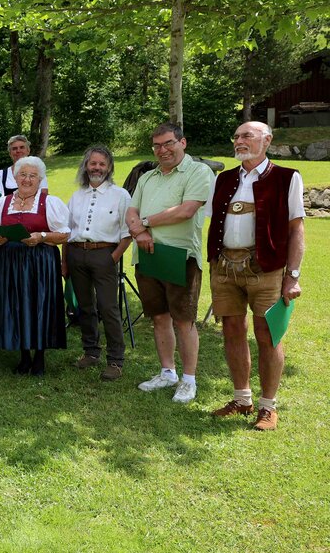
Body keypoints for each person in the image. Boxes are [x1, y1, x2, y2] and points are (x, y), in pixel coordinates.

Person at [206, 122, 305, 431]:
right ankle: (241, 398)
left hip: (267, 268)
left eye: (246, 135)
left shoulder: (286, 177)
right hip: (224, 268)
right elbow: (213, 223)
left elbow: (296, 228)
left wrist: (293, 276)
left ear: (267, 140)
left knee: (268, 335)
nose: (239, 141)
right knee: (232, 330)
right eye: (236, 136)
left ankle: (268, 406)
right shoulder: (223, 179)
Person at [127, 123, 215, 404]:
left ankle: (189, 379)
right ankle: (168, 372)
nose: (162, 150)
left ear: (183, 142)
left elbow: (187, 210)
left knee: (184, 319)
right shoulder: (148, 177)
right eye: (157, 145)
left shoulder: (198, 172)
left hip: (180, 256)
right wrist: (139, 232)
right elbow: (131, 209)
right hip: (147, 254)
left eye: (168, 144)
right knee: (159, 317)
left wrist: (145, 223)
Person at [0, 156, 71, 375]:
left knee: (39, 305)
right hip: (10, 262)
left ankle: (40, 356)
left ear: (40, 179)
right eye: (23, 175)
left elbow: (65, 235)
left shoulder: (49, 203)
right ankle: (24, 356)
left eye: (32, 176)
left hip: (40, 262)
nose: (27, 179)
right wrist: (0, 238)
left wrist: (42, 236)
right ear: (15, 177)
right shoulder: (3, 202)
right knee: (16, 305)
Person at [62, 146, 132, 381]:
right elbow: (66, 230)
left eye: (102, 164)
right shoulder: (77, 195)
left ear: (109, 167)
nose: (97, 168)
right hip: (76, 254)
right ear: (86, 165)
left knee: (108, 308)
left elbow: (127, 233)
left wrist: (112, 258)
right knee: (84, 307)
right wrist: (65, 261)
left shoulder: (120, 195)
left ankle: (115, 360)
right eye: (93, 163)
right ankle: (91, 352)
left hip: (104, 254)